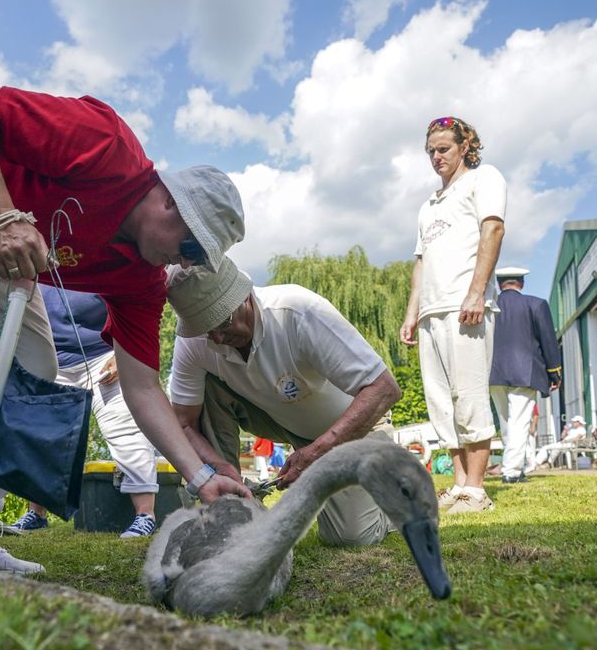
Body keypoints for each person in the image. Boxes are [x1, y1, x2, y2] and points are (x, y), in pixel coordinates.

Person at [0, 83, 251, 564]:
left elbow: (144, 388)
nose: (186, 263)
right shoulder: (108, 145)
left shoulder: (142, 280)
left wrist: (200, 477)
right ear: (171, 204)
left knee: (34, 364)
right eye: (193, 249)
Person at [167, 258, 403, 547]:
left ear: (244, 296)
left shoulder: (298, 312)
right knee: (205, 390)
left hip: (355, 426)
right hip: (283, 421)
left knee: (350, 537)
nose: (216, 336)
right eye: (204, 327)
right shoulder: (197, 340)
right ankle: (228, 512)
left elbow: (384, 389)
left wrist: (317, 451)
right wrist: (216, 467)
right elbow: (183, 423)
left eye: (222, 321)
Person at [400, 116, 506, 514]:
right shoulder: (429, 205)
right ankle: (459, 485)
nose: (436, 157)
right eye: (430, 151)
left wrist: (476, 292)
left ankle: (477, 490)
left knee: (470, 394)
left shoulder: (484, 179)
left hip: (466, 305)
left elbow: (492, 230)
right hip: (431, 310)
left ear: (465, 146)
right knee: (441, 402)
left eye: (443, 148)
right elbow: (420, 262)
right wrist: (412, 313)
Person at [12, 285, 159, 538]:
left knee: (124, 428)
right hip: (50, 356)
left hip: (102, 355)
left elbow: (129, 299)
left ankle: (145, 515)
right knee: (42, 435)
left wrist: (121, 351)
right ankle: (36, 514)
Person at [489, 266, 562, 483]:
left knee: (506, 423)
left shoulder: (489, 308)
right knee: (519, 421)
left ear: (499, 284)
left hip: (494, 373)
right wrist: (554, 372)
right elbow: (549, 341)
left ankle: (514, 467)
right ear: (521, 282)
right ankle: (511, 472)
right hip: (526, 372)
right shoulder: (536, 304)